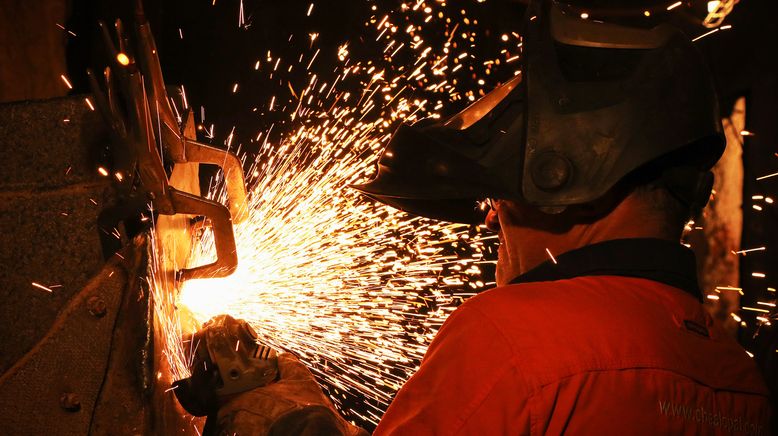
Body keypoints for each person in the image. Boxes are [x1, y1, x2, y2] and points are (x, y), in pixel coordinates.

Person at [209, 2, 772, 434]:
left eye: (498, 196)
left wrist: (290, 425)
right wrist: (315, 412)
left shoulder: (513, 336)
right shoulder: (735, 378)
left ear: (570, 178)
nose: (489, 221)